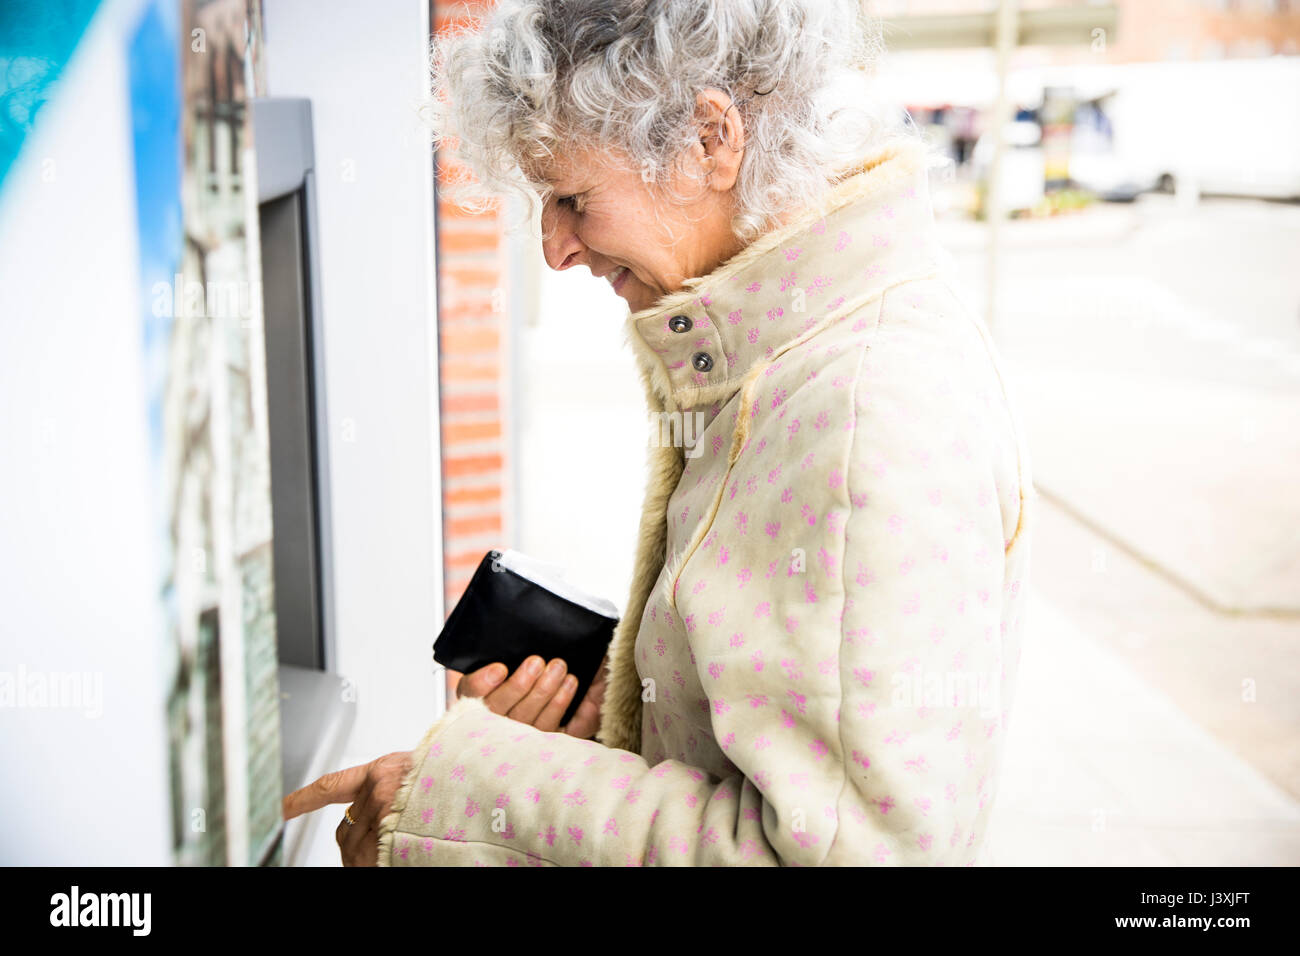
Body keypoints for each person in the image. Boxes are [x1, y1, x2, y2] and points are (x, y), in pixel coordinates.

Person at [283, 0, 1037, 867]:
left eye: (572, 197)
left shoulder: (866, 405)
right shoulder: (797, 358)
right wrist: (626, 699)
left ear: (709, 139)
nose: (555, 248)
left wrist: (466, 795)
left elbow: (841, 856)